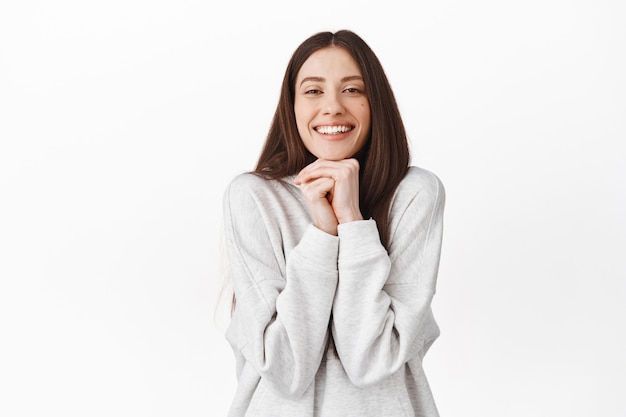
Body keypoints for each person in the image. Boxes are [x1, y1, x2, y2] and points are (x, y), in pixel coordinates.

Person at [220, 29, 446, 417]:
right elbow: (287, 370)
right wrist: (322, 234)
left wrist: (353, 224)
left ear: (376, 103)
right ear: (291, 105)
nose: (333, 107)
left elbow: (370, 360)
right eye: (312, 91)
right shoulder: (254, 197)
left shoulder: (414, 194)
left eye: (353, 90)